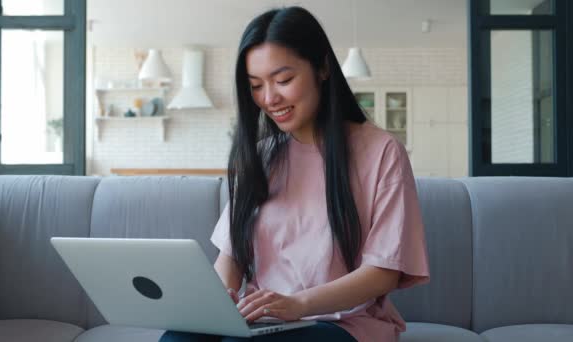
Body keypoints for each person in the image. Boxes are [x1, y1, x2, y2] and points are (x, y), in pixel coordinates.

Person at [160, 6, 429, 342]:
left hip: (343, 326)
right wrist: (215, 304)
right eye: (256, 85)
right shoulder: (262, 155)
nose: (270, 98)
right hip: (264, 321)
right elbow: (230, 261)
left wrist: (297, 305)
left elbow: (383, 273)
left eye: (283, 80)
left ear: (322, 68)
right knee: (178, 339)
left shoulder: (382, 152)